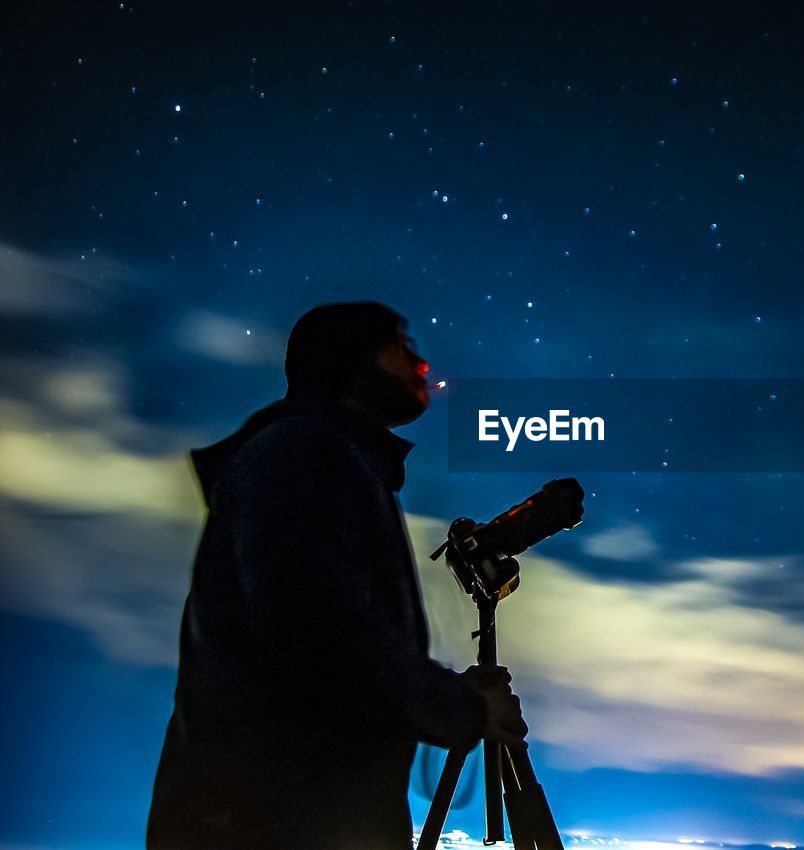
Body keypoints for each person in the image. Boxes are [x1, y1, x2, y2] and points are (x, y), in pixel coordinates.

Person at [147, 302, 526, 849]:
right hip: (267, 824)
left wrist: (444, 695)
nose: (422, 366)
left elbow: (329, 643)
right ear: (353, 359)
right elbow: (317, 630)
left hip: (283, 818)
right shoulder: (298, 453)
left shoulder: (329, 460)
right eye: (403, 346)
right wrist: (460, 708)